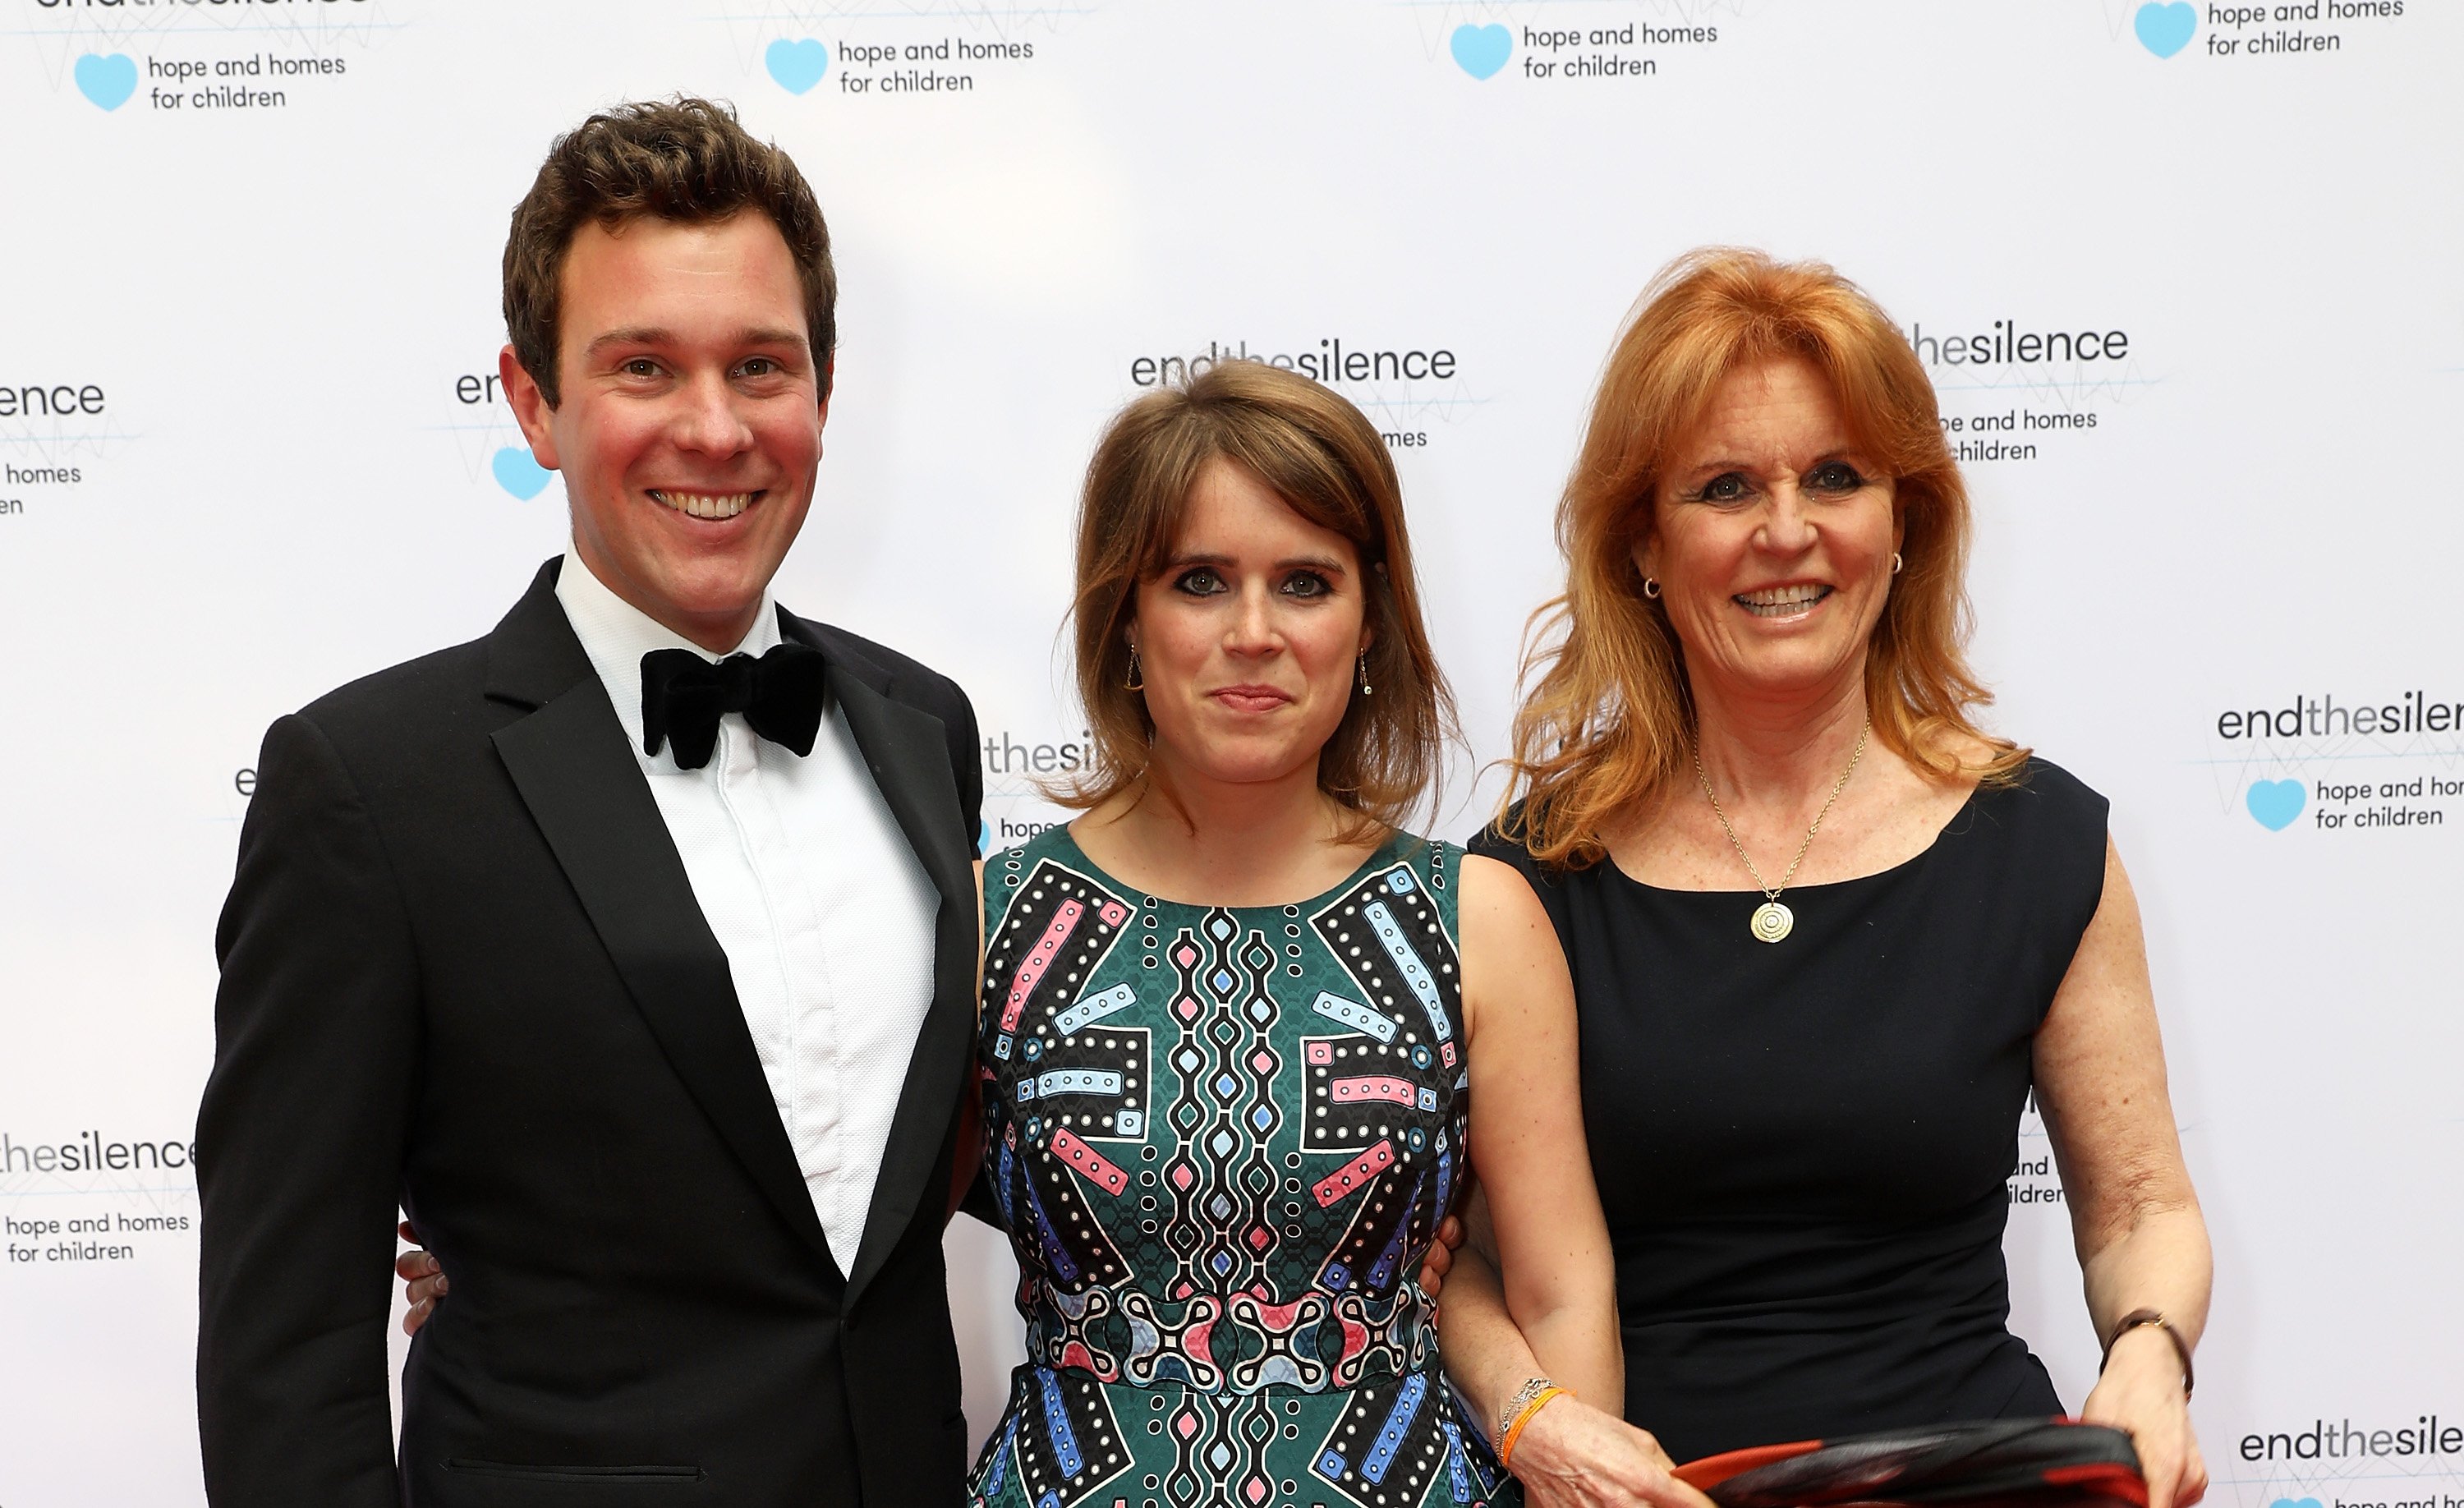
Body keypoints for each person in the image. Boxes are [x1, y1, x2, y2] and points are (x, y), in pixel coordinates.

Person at [405, 361, 1671, 1508]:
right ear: (1127, 620)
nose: (1254, 634)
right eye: (1198, 582)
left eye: (1305, 581)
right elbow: (822, 1233)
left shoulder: (1472, 918)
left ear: (1368, 623)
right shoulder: (989, 916)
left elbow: (1559, 1292)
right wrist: (540, 1259)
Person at [197, 99, 985, 1505]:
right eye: (643, 367)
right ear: (533, 401)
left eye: (762, 367)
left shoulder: (926, 729)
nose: (714, 427)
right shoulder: (370, 787)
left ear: (821, 390)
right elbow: (286, 1353)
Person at [1435, 248, 2213, 1508]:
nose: (1786, 531)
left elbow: (2141, 1214)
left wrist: (2149, 1359)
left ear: (1903, 522)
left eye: (1836, 477)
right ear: (1642, 541)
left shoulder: (2038, 841)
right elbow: (1453, 1259)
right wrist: (1536, 1423)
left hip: (1971, 1485)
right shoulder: (1528, 878)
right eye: (1725, 486)